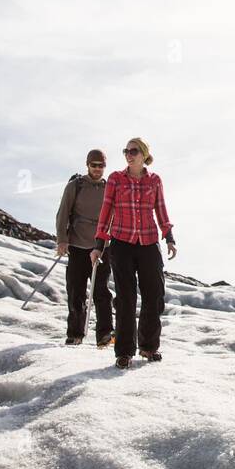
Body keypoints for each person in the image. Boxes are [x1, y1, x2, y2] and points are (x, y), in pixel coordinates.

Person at [91, 137, 176, 369]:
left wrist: (169, 237)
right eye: (126, 151)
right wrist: (99, 243)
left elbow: (161, 210)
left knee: (154, 295)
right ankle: (125, 351)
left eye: (134, 151)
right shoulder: (116, 180)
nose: (129, 154)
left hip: (149, 243)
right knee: (126, 297)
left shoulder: (154, 181)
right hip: (122, 243)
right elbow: (106, 211)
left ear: (144, 154)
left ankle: (148, 347)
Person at [55, 149, 113, 347]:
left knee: (101, 292)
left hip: (102, 246)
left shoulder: (109, 188)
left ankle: (105, 335)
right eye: (93, 165)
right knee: (76, 292)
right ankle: (75, 334)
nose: (97, 169)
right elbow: (63, 213)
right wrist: (62, 240)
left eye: (101, 165)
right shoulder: (75, 186)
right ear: (87, 165)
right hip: (78, 246)